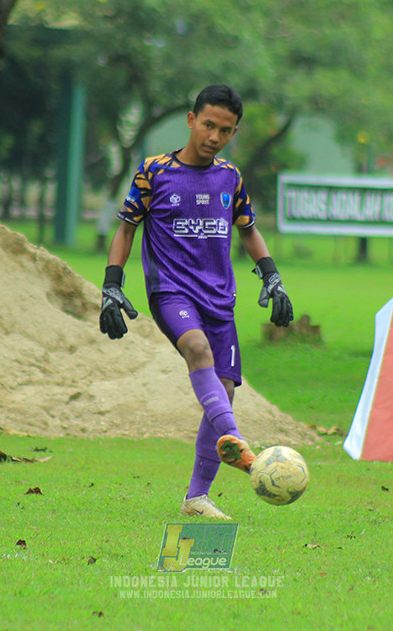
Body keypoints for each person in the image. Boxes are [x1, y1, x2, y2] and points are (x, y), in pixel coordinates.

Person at [99, 84, 294, 520]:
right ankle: (241, 449)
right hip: (170, 291)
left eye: (225, 130)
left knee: (222, 390)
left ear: (233, 132)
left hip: (220, 299)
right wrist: (112, 284)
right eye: (208, 124)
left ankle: (196, 498)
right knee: (196, 349)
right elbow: (127, 229)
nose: (214, 136)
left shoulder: (231, 177)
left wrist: (273, 277)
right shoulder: (154, 171)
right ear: (191, 120)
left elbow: (247, 228)